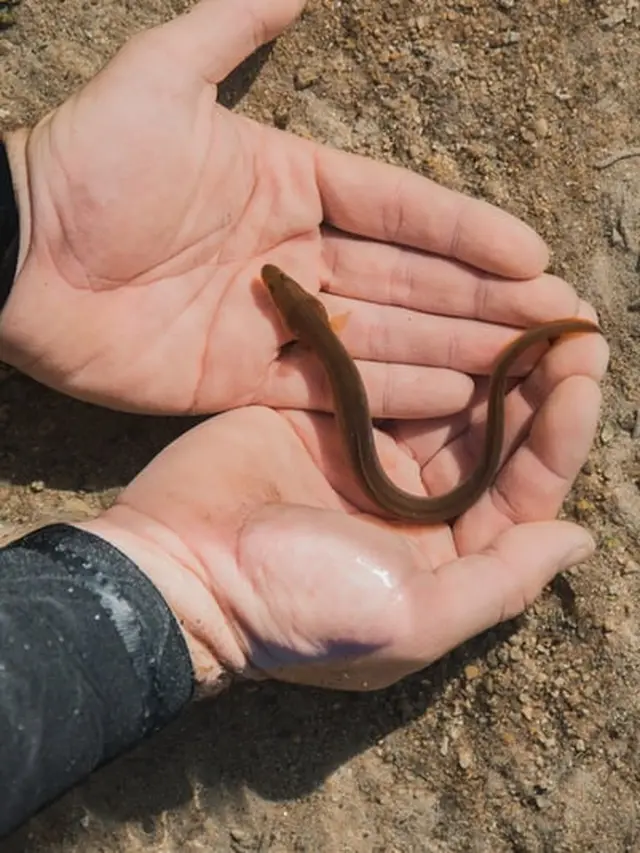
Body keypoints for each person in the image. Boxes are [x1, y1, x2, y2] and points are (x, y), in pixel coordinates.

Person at [0, 0, 608, 839]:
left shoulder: (308, 332)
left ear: (295, 315)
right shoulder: (315, 328)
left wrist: (27, 218)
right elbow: (319, 340)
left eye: (282, 298)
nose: (275, 293)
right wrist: (30, 218)